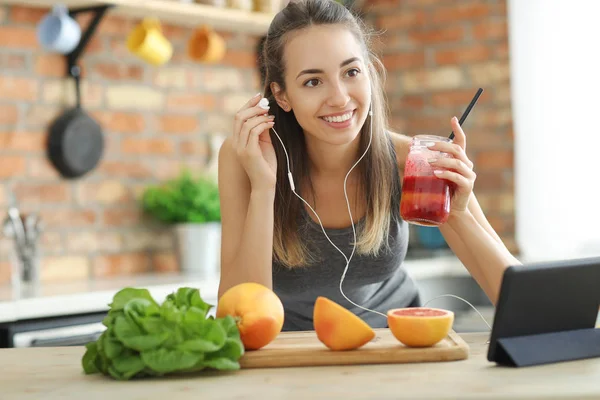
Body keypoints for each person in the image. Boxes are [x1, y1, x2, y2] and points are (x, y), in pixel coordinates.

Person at [217, 0, 521, 331]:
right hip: (291, 357)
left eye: (351, 72)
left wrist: (459, 214)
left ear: (370, 73)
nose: (339, 97)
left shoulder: (413, 159)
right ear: (282, 94)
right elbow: (235, 323)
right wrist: (264, 188)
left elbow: (522, 300)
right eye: (312, 81)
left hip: (395, 345)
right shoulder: (246, 158)